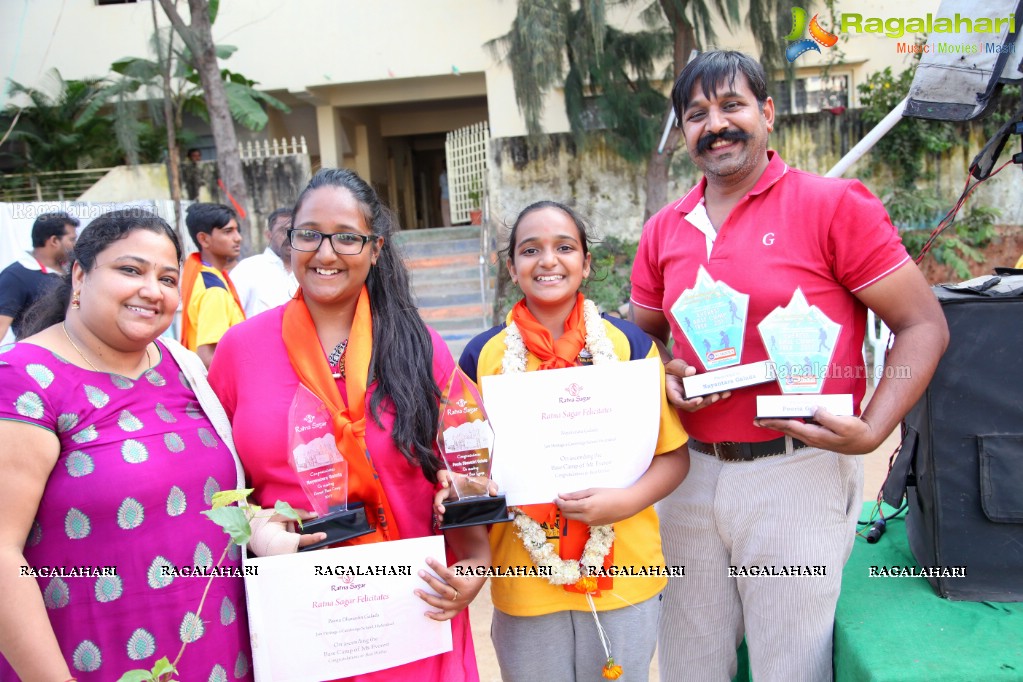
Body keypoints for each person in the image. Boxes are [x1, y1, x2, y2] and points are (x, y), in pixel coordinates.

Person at [628, 51, 949, 680]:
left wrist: (877, 425)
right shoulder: (664, 230)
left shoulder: (833, 206)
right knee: (691, 662)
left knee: (789, 665)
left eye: (731, 106)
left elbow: (923, 325)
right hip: (685, 477)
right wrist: (663, 373)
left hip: (796, 470)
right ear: (684, 132)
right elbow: (645, 339)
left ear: (768, 113)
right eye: (696, 115)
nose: (714, 125)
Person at [207, 168, 490, 681]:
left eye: (347, 237)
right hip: (305, 614)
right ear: (289, 242)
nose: (326, 252)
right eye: (309, 234)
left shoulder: (418, 347)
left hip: (415, 603)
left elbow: (467, 462)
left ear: (376, 248)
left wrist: (474, 564)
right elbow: (222, 482)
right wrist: (256, 530)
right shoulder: (240, 351)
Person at [0, 209, 252, 681]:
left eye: (168, 278)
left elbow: (218, 506)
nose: (152, 290)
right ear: (79, 274)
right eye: (130, 270)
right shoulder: (22, 381)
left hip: (220, 652)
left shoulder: (184, 369)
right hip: (86, 659)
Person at [458, 201, 690, 682]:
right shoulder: (483, 357)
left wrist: (623, 502)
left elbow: (673, 458)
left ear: (585, 263)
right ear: (511, 266)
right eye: (530, 250)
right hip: (523, 572)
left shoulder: (629, 347)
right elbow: (464, 469)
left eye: (564, 247)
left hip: (625, 568)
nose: (548, 261)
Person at [180, 202, 245, 367]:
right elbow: (209, 357)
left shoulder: (206, 275)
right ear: (204, 239)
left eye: (237, 230)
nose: (238, 238)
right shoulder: (213, 289)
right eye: (228, 232)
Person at [0, 211, 79, 343]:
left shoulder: (73, 271)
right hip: (38, 358)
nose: (75, 245)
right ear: (54, 240)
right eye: (72, 239)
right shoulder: (17, 275)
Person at [230, 207, 298, 317]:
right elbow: (231, 316)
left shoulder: (308, 271)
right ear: (268, 235)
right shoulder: (248, 269)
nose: (290, 237)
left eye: (295, 231)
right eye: (284, 231)